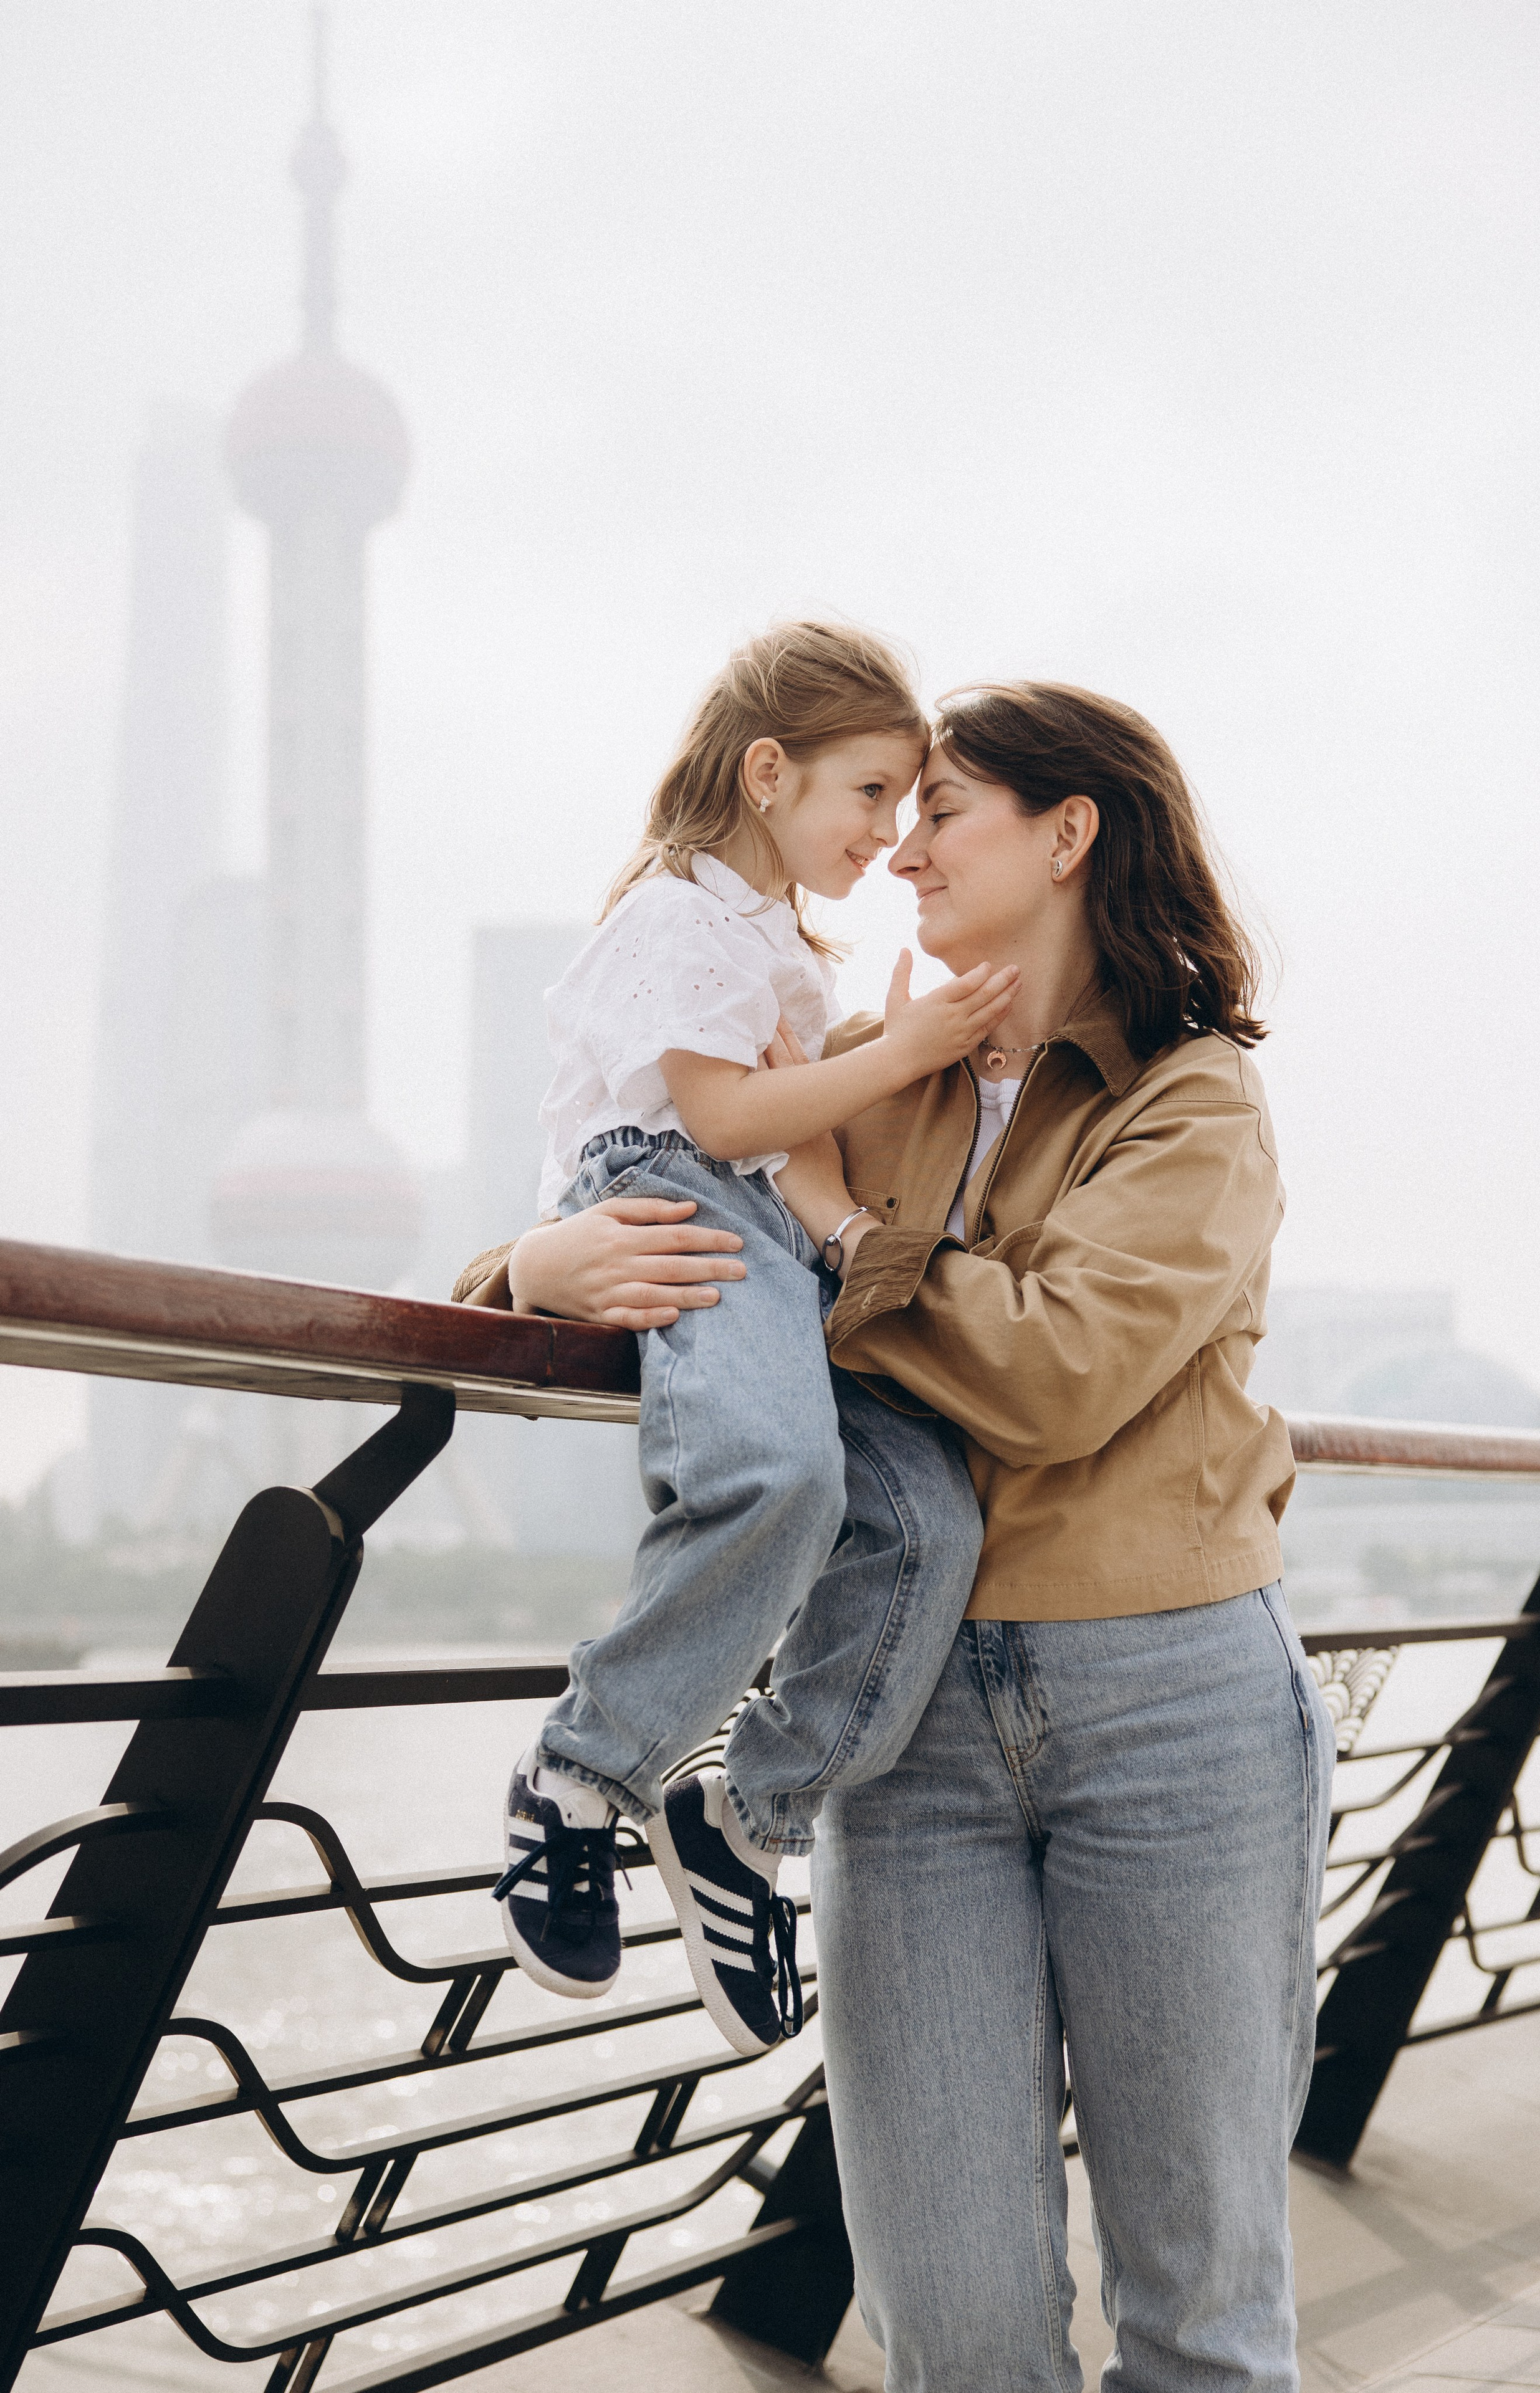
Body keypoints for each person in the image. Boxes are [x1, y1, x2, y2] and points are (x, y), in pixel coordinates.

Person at [459, 676, 1332, 2389]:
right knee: (951, 2328)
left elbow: (1062, 1374)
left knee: (1200, 2320)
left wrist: (845, 1222)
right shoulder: (866, 1070)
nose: (901, 847)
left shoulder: (1192, 1104)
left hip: (1171, 1712)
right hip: (900, 1731)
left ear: (1067, 834)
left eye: (943, 811)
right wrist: (527, 1274)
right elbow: (669, 1179)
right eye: (900, 806)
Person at [474, 621, 1010, 2063]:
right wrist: (891, 1057)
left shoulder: (770, 937)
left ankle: (743, 1813)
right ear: (767, 773)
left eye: (908, 807)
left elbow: (791, 1143)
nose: (886, 835)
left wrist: (856, 1070)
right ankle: (579, 1772)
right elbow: (713, 1123)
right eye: (868, 796)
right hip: (670, 1198)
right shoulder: (671, 917)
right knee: (776, 1477)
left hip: (765, 1233)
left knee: (922, 1526)